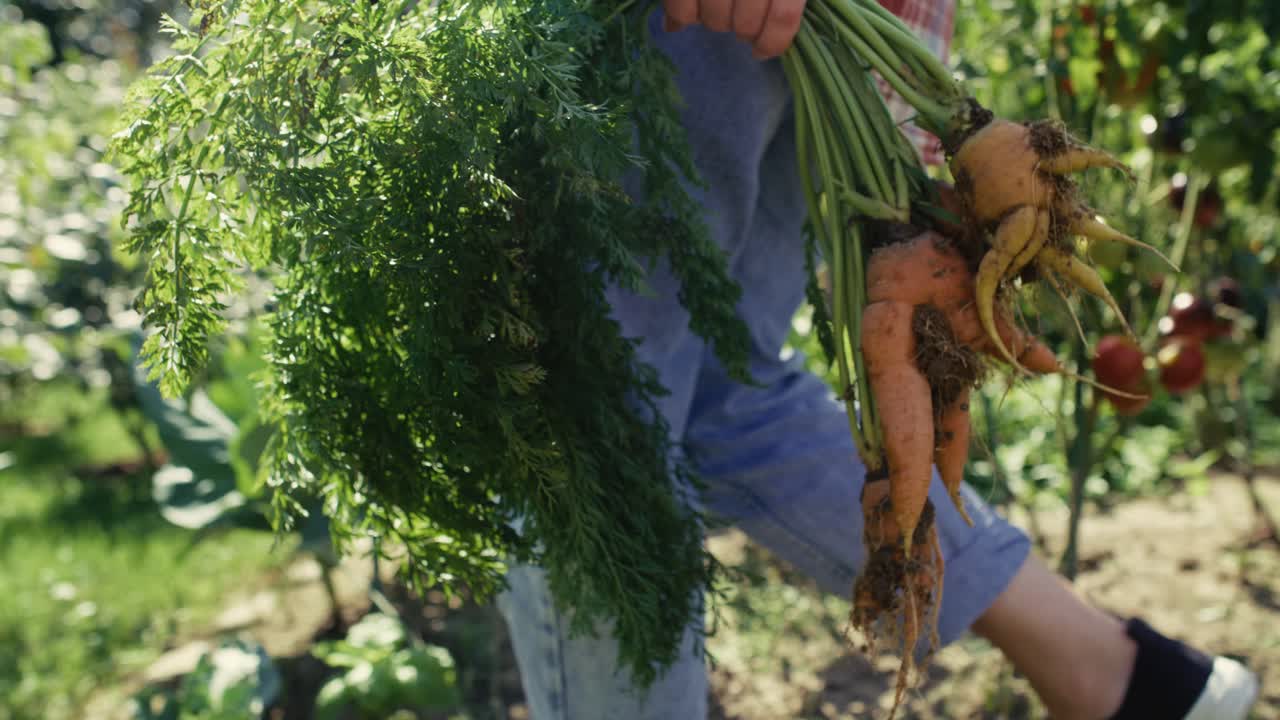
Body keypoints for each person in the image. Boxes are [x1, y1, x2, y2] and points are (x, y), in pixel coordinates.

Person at [496, 1, 1262, 718]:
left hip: (703, 30)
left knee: (596, 423)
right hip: (824, 32)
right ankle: (1115, 674)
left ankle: (1108, 672)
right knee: (720, 392)